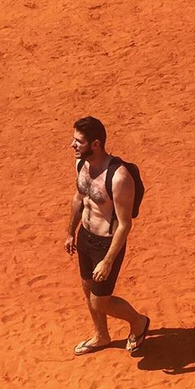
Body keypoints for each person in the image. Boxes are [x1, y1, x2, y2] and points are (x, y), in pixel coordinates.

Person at [64, 116, 150, 356]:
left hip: (106, 243)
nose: (73, 145)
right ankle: (101, 335)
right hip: (85, 237)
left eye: (79, 141)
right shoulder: (81, 164)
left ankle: (139, 322)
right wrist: (70, 232)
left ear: (96, 144)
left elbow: (124, 224)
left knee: (99, 301)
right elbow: (79, 198)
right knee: (86, 287)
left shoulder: (119, 177)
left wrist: (108, 260)